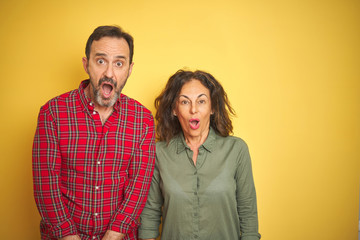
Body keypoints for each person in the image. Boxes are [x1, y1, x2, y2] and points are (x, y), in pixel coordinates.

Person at [32, 25, 156, 240]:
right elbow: (46, 187)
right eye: (101, 61)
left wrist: (114, 234)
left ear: (129, 68)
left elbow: (139, 186)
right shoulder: (52, 113)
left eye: (119, 63)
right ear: (86, 64)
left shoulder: (142, 120)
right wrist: (68, 236)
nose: (109, 73)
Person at [138, 70, 261, 240]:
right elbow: (149, 217)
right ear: (174, 109)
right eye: (184, 102)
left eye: (201, 101)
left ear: (212, 108)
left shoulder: (236, 150)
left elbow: (248, 217)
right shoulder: (159, 153)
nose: (193, 109)